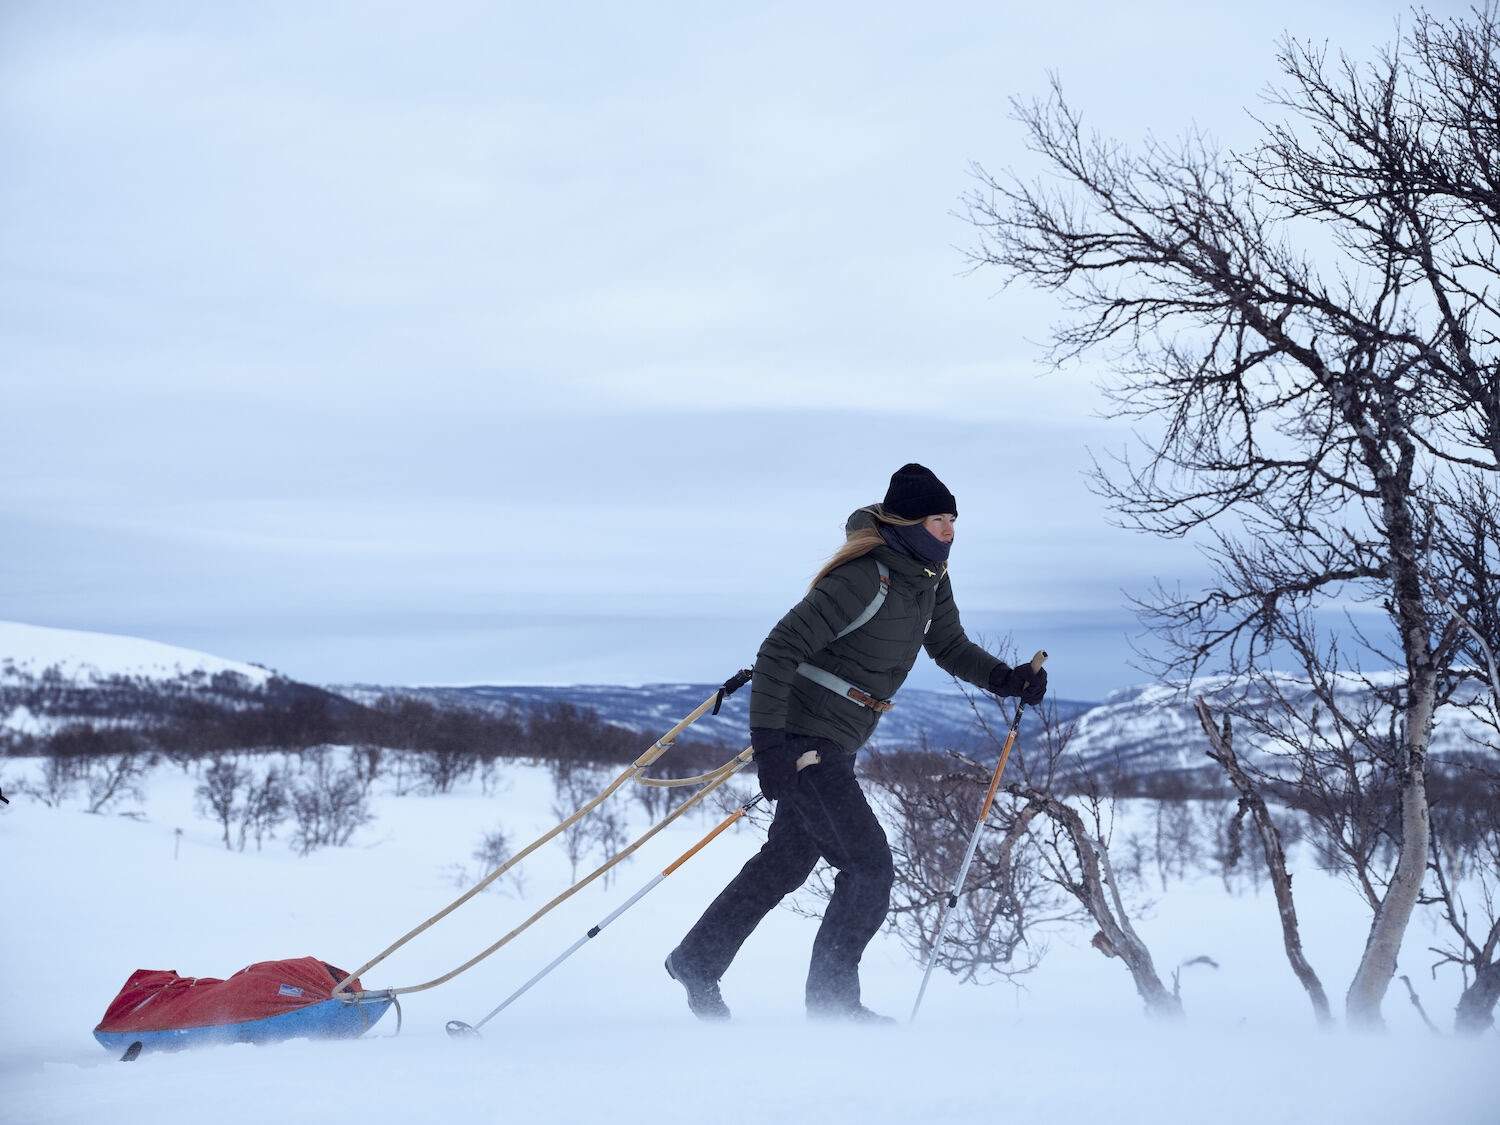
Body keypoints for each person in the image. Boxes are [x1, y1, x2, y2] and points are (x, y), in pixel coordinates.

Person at [664, 463, 1047, 1022]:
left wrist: (1005, 679)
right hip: (804, 737)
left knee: (788, 860)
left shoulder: (929, 577)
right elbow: (778, 650)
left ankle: (697, 960)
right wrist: (770, 747)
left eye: (953, 520)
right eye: (939, 520)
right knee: (868, 867)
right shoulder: (864, 577)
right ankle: (833, 1008)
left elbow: (949, 645)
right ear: (909, 522)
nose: (950, 532)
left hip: (838, 737)